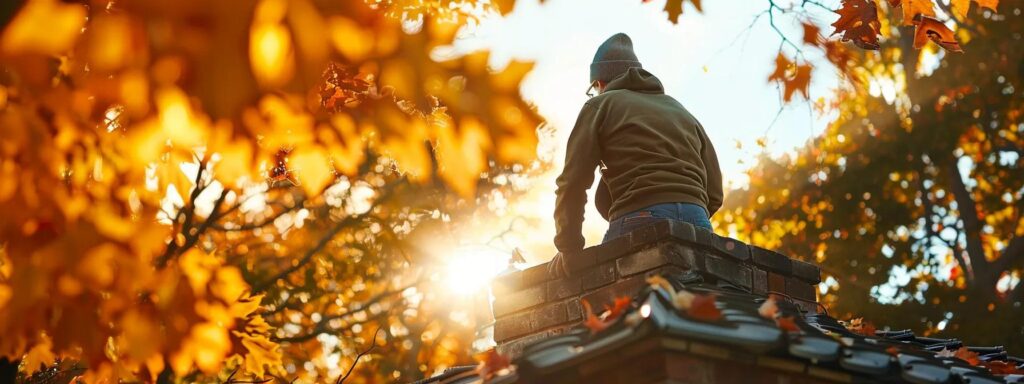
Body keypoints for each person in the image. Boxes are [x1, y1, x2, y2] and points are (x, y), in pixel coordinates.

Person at [549, 33, 723, 277]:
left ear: (598, 82)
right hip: (699, 220)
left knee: (616, 308)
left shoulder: (601, 105)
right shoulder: (681, 111)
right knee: (693, 309)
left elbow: (572, 182)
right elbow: (714, 192)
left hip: (640, 216)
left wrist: (568, 247)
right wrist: (685, 212)